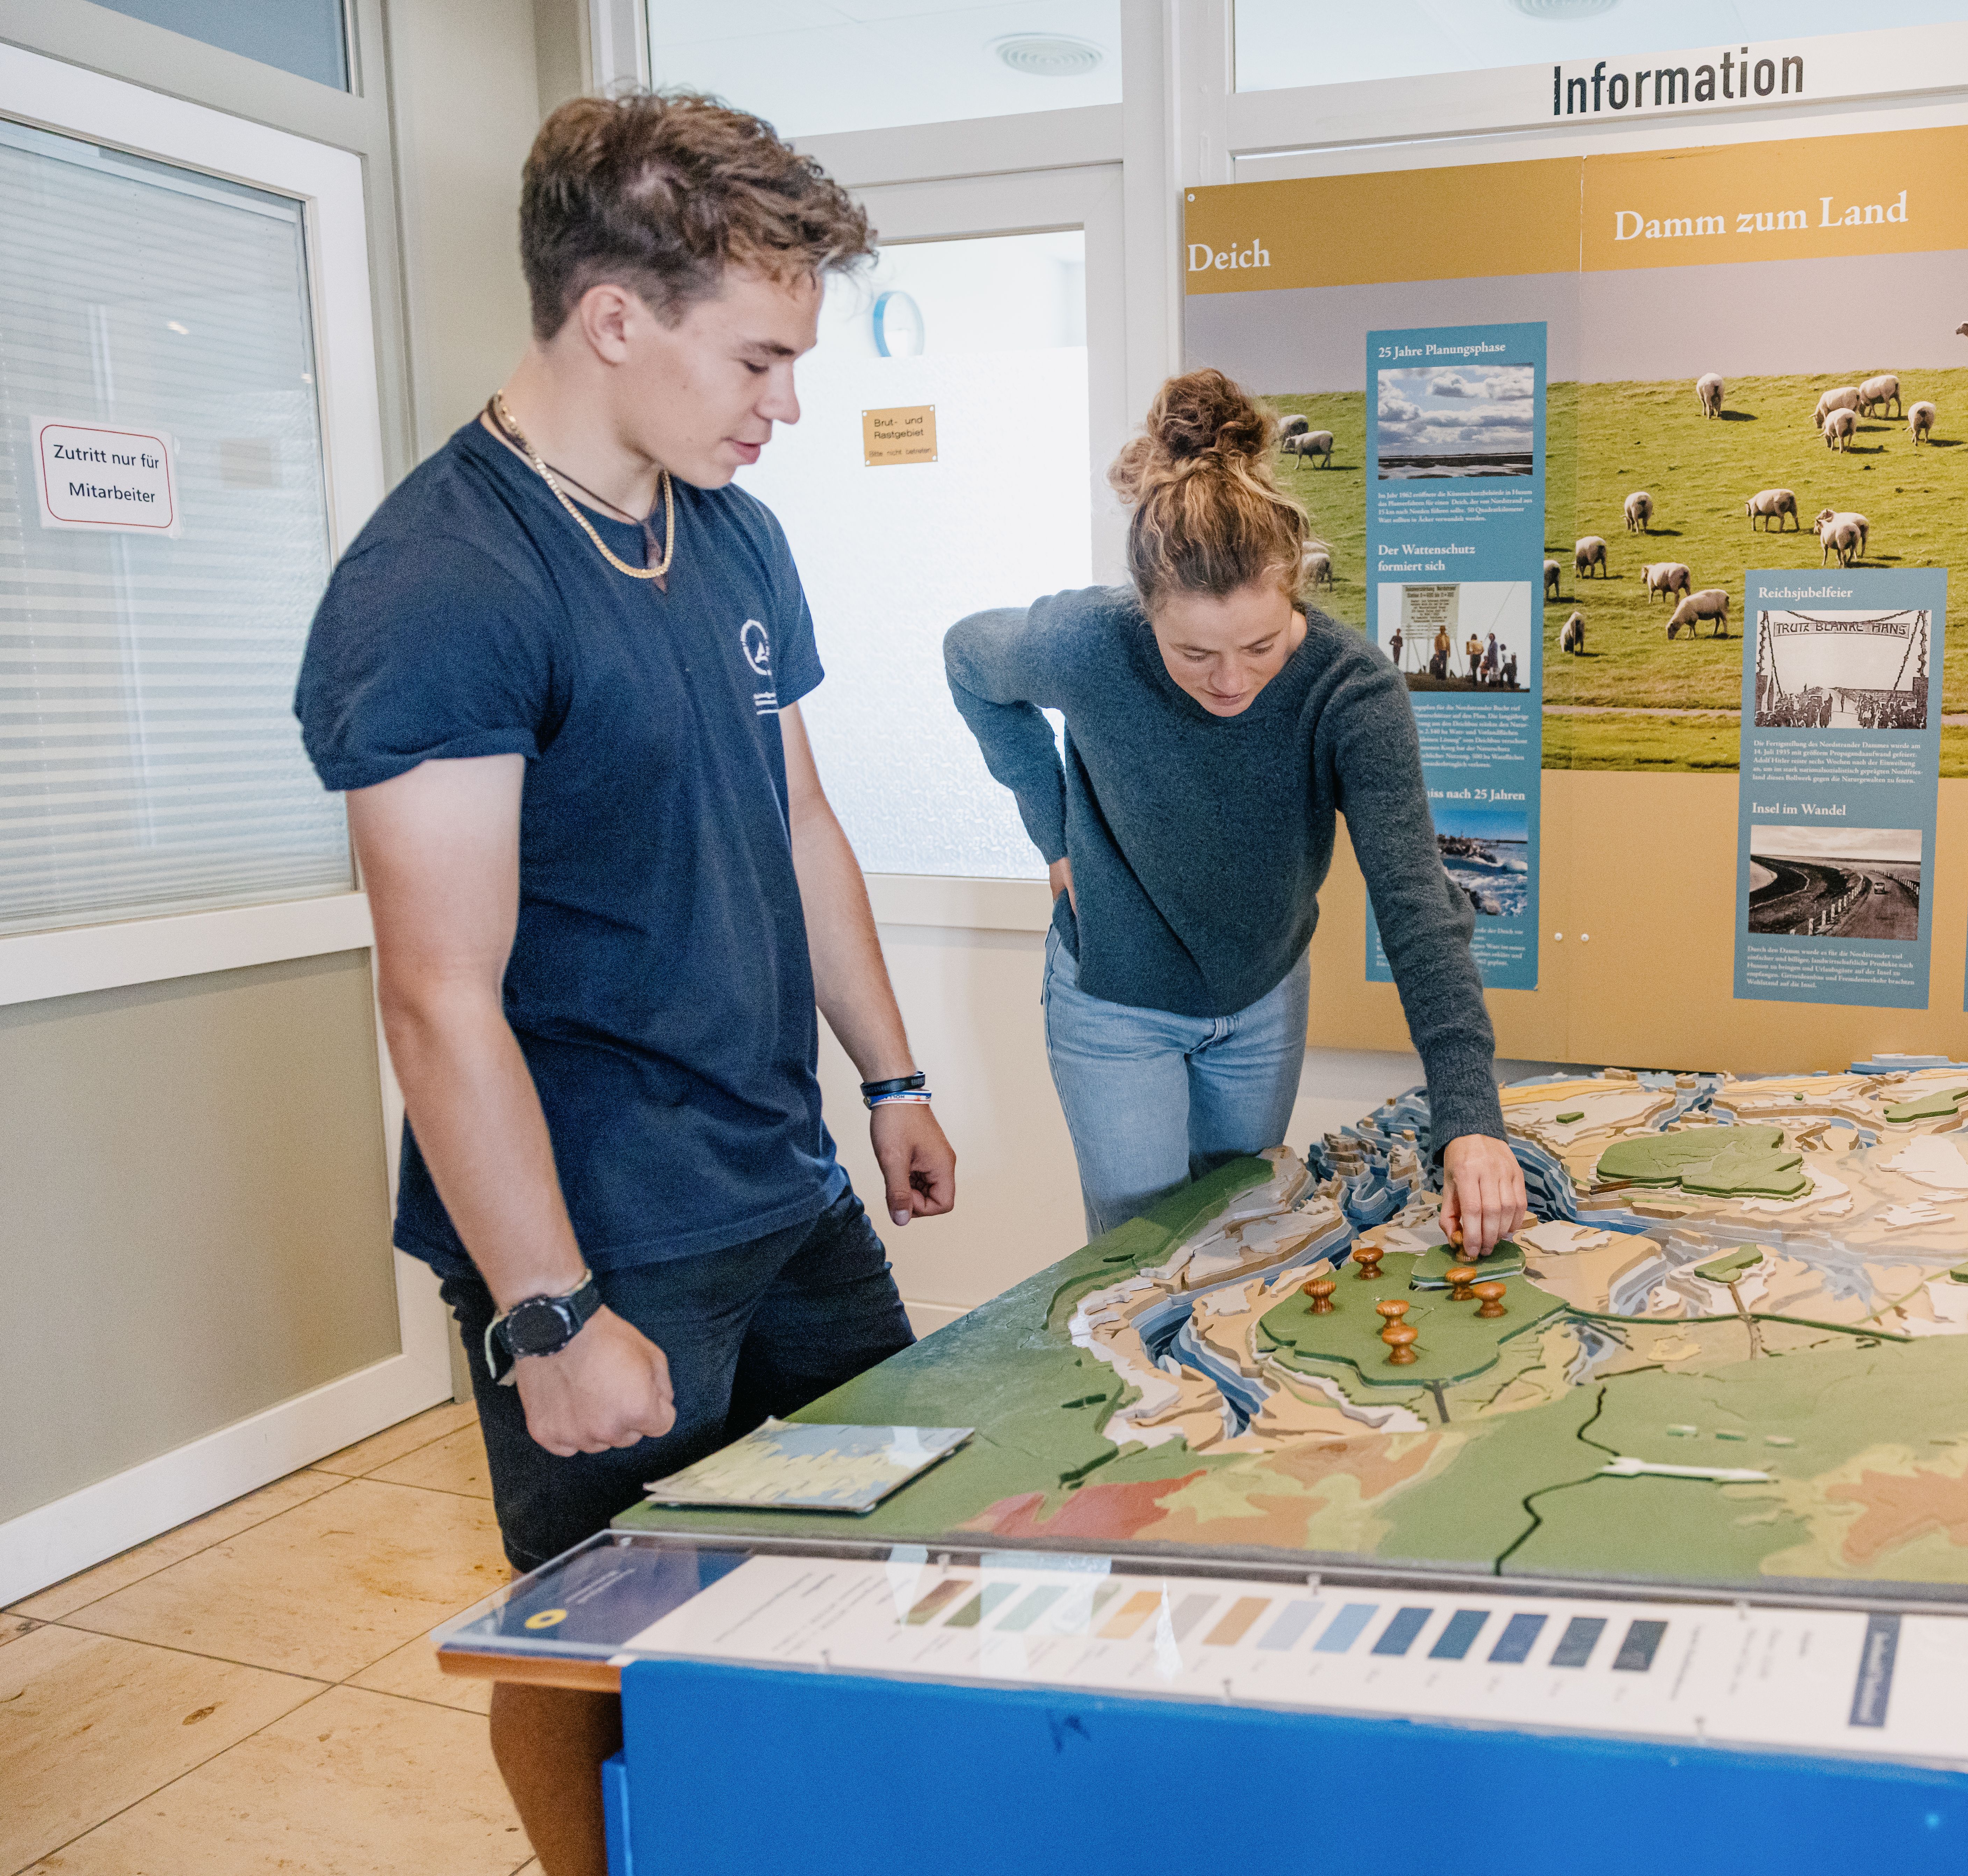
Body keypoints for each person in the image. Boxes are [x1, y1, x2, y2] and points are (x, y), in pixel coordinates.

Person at [293, 94, 953, 1876]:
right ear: (612, 316)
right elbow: (437, 993)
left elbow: (799, 818)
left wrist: (887, 1076)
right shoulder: (441, 583)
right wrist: (547, 1313)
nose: (783, 402)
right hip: (602, 1233)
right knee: (595, 1633)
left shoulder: (727, 525)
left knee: (871, 1543)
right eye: (757, 355)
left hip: (780, 1181)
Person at [945, 369, 1530, 1250]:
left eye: (1259, 645)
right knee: (1136, 1262)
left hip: (1260, 1000)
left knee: (1242, 1239)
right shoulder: (1085, 643)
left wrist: (1471, 1116)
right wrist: (1053, 826)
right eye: (1193, 652)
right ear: (1144, 612)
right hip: (1115, 1004)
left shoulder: (1350, 688)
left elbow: (1415, 901)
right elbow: (966, 658)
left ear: (1292, 587)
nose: (1231, 679)